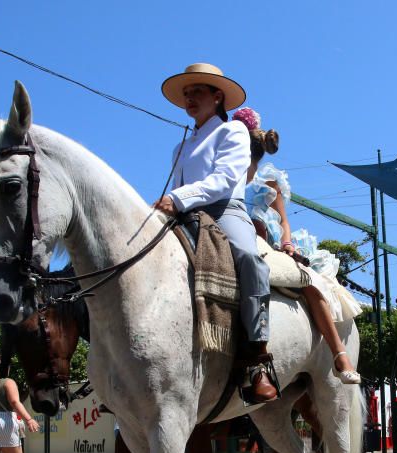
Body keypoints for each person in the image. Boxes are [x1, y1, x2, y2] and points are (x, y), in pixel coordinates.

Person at [154, 63, 276, 403]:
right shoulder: (179, 147)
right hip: (185, 213)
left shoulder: (233, 132)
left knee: (250, 260)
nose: (189, 98)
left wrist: (177, 199)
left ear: (217, 96)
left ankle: (257, 359)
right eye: (186, 93)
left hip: (225, 211)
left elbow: (223, 180)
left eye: (197, 92)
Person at [234, 107, 361, 384]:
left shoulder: (265, 181)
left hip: (268, 243)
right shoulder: (223, 177)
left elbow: (282, 221)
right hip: (236, 238)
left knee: (308, 283)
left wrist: (287, 243)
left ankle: (339, 353)